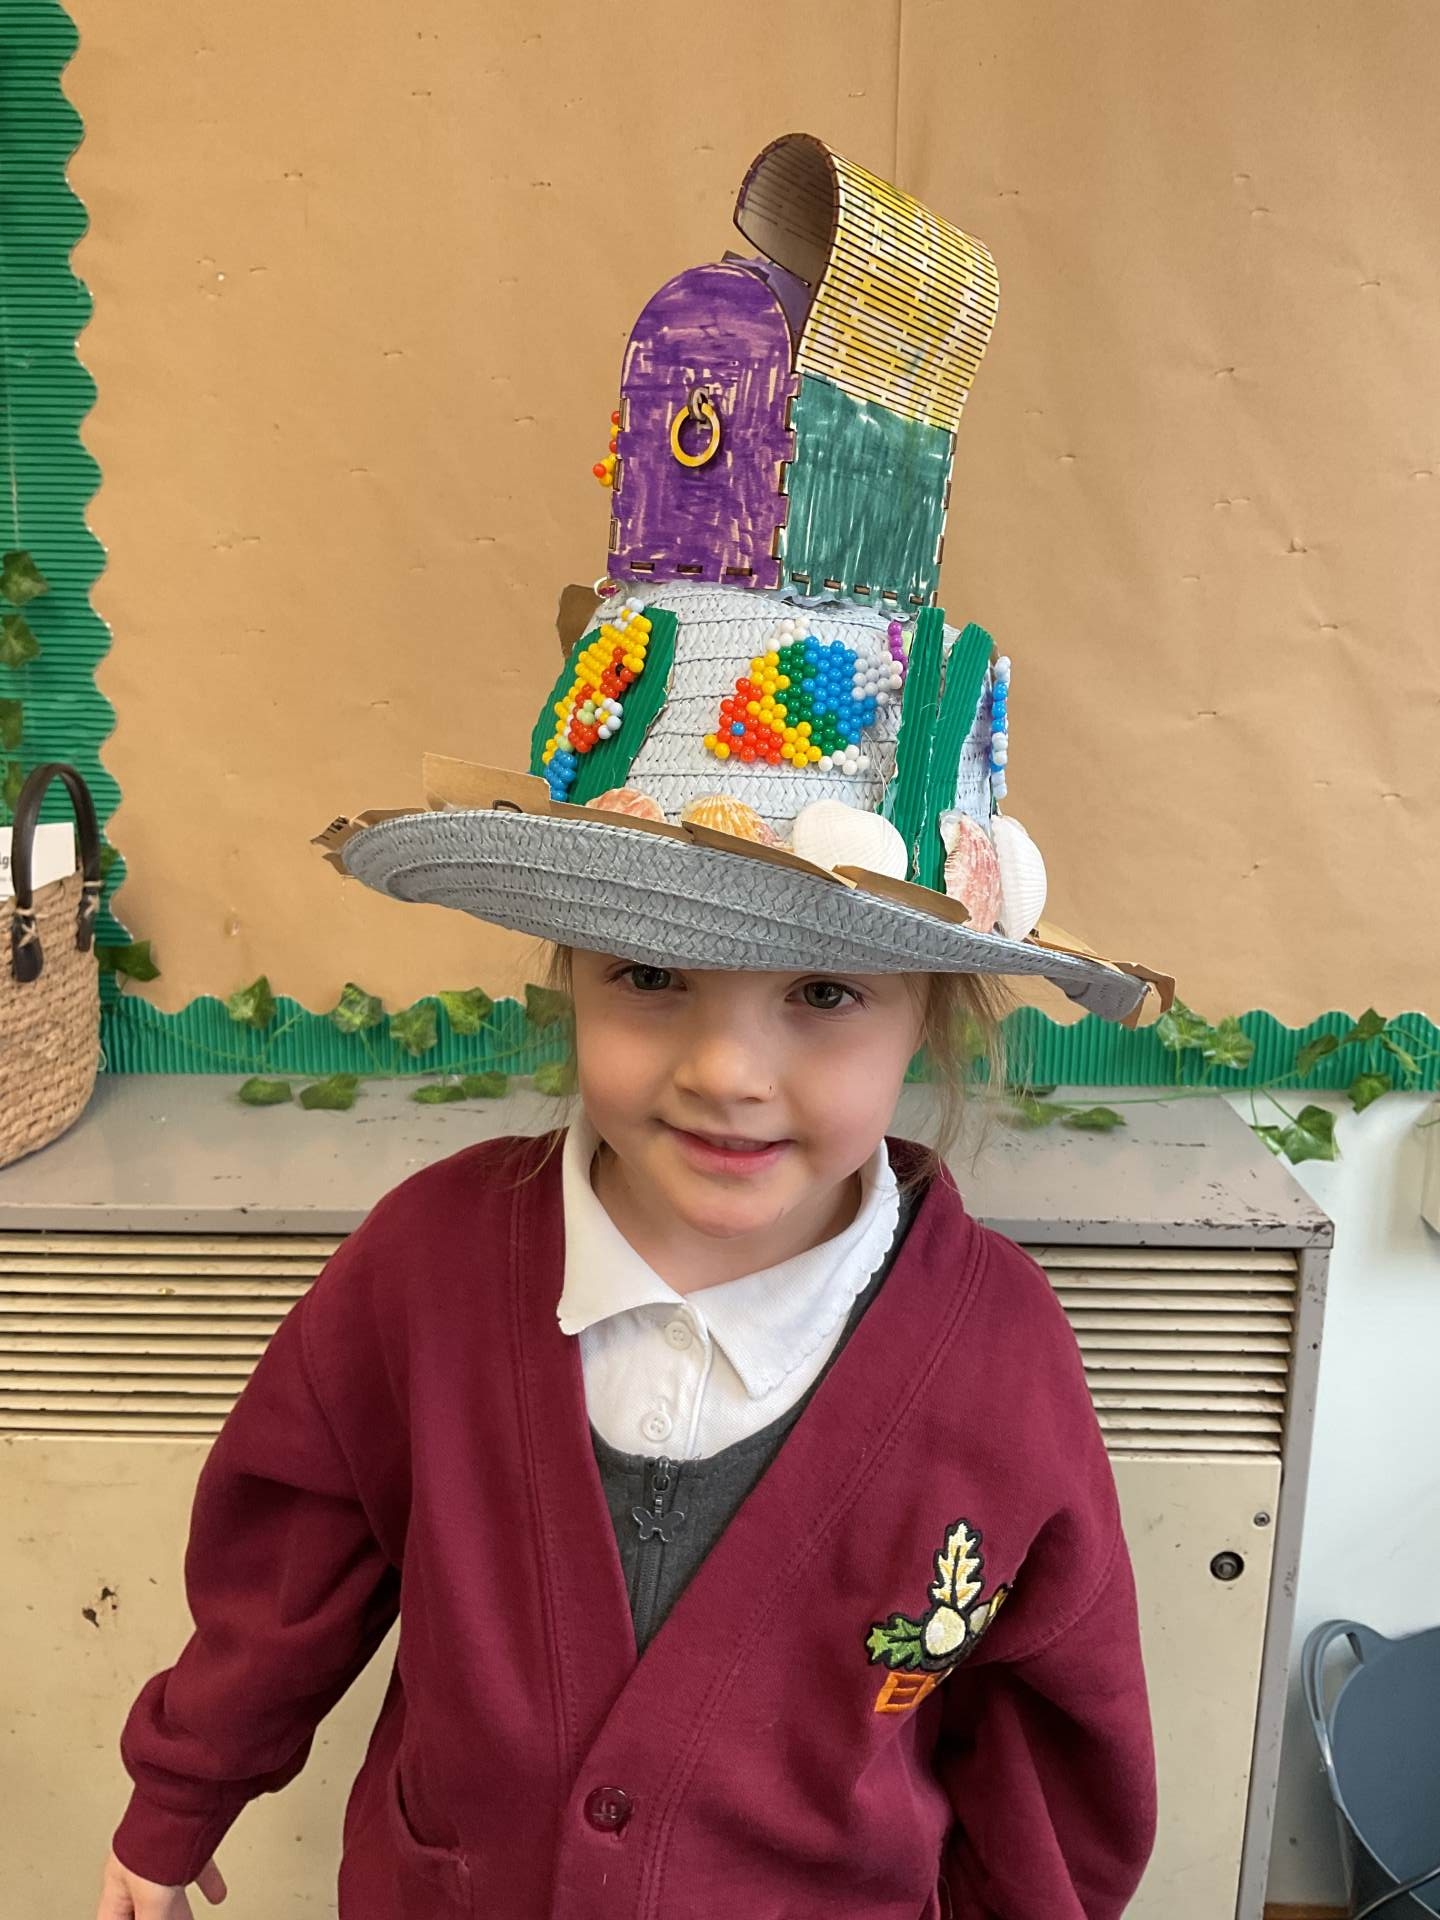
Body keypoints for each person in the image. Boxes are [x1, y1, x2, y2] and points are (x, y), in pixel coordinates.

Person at [100, 127, 1170, 1919]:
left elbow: (1048, 1745)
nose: (727, 1071)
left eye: (822, 993)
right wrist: (178, 1801)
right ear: (569, 975)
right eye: (651, 978)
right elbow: (292, 1560)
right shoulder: (427, 1270)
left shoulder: (998, 1366)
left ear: (932, 1017)